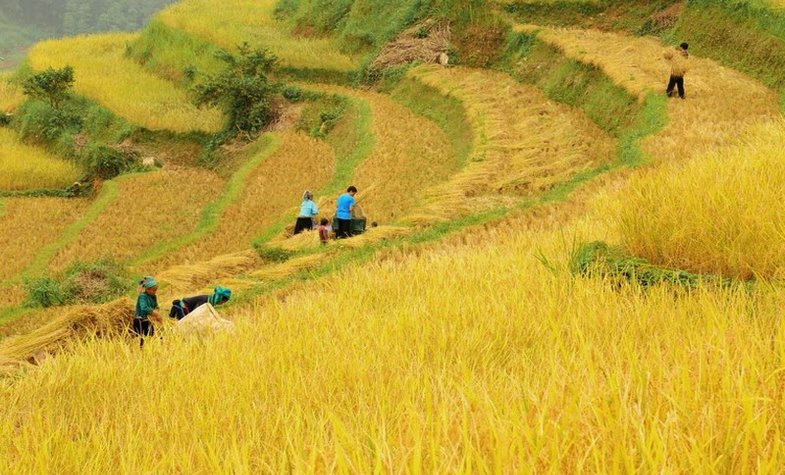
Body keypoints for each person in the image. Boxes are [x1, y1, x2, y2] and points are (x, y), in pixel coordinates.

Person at [134, 276, 160, 348]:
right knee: (141, 339)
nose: (154, 292)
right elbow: (144, 308)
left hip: (149, 320)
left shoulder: (154, 296)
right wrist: (154, 313)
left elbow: (156, 306)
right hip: (140, 320)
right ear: (147, 289)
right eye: (153, 290)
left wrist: (156, 311)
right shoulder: (142, 296)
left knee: (151, 336)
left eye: (155, 290)